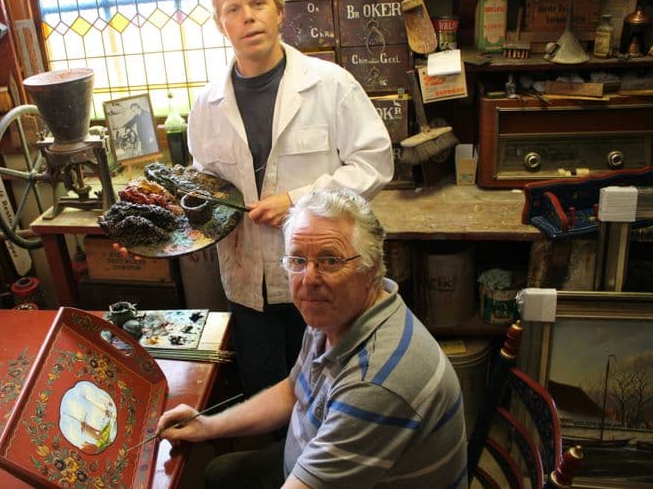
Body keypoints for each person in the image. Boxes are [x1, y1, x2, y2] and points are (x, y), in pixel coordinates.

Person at [155, 188, 467, 488]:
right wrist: (207, 424)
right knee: (220, 473)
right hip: (313, 454)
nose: (309, 279)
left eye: (330, 260)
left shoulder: (376, 382)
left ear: (370, 267)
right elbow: (294, 391)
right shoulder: (337, 311)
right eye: (298, 260)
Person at [184, 0, 394, 397]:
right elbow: (203, 182)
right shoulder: (206, 105)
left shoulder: (330, 84)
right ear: (221, 24)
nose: (248, 17)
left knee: (330, 394)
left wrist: (299, 200)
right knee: (265, 392)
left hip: (322, 279)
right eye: (233, 10)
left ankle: (320, 468)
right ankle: (276, 469)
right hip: (247, 283)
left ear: (280, 10)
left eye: (258, 3)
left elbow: (374, 161)